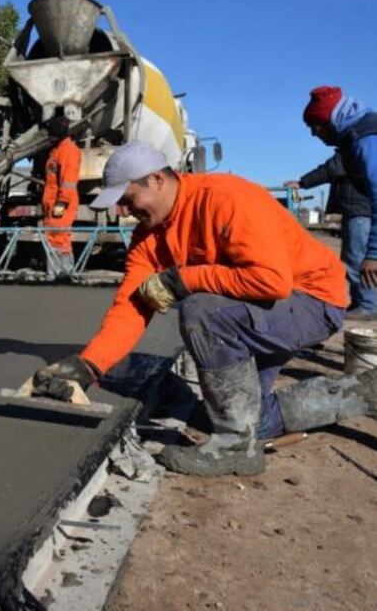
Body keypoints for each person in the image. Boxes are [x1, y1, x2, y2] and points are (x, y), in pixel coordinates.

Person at [28, 141, 377, 477]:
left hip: (312, 299)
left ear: (158, 179)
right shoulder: (148, 238)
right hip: (261, 309)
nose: (123, 211)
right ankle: (364, 392)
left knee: (202, 311)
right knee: (252, 418)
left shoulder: (225, 199)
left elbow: (272, 281)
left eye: (128, 199)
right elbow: (132, 306)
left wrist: (185, 279)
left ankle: (233, 449)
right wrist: (90, 365)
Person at [288, 86, 377, 319]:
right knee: (354, 258)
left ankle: (368, 305)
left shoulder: (364, 140)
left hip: (362, 209)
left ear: (327, 121)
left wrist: (374, 254)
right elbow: (334, 167)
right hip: (360, 207)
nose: (314, 134)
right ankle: (365, 302)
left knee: (357, 259)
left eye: (314, 127)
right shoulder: (354, 136)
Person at [41, 116, 81, 274]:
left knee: (59, 238)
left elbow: (68, 180)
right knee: (54, 237)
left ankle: (62, 273)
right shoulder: (57, 150)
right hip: (52, 203)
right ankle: (57, 273)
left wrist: (62, 203)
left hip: (61, 203)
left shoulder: (68, 151)